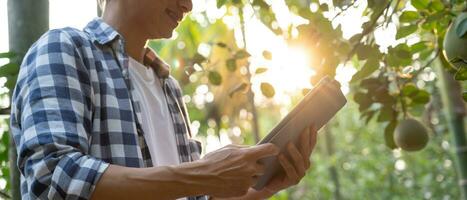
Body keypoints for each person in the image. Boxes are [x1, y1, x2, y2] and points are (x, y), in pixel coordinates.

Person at [10, 0, 318, 199]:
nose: (189, 5)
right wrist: (203, 174)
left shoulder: (167, 86)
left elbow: (190, 193)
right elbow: (52, 176)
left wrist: (266, 186)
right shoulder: (64, 48)